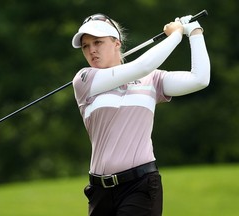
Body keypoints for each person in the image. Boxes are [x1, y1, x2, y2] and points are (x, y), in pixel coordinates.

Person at [71, 13, 210, 216]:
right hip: (99, 192)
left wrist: (195, 32)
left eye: (98, 42)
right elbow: (141, 66)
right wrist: (176, 35)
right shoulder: (85, 79)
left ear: (116, 43)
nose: (91, 50)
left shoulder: (152, 79)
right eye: (85, 46)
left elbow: (200, 79)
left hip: (140, 186)